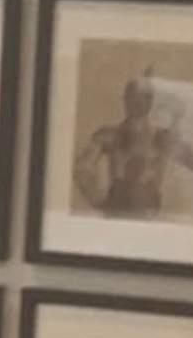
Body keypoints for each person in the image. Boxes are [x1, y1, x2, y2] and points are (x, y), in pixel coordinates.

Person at [76, 74, 187, 225]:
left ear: (150, 101)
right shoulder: (108, 134)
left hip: (151, 217)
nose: (137, 102)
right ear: (124, 99)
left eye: (144, 97)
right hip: (116, 215)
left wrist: (177, 123)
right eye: (132, 96)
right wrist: (98, 200)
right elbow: (82, 168)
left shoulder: (163, 137)